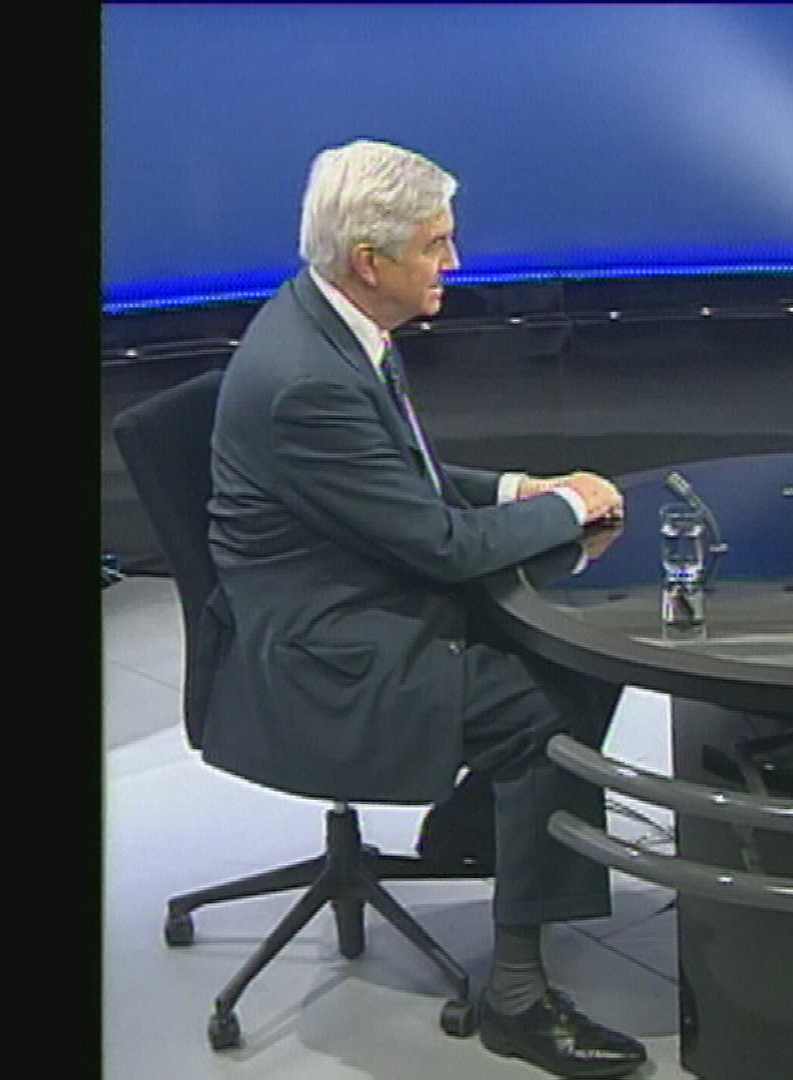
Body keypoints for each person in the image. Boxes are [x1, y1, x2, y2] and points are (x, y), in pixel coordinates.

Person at [200, 138, 646, 1078]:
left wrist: (525, 489)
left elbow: (406, 482)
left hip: (356, 585)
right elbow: (439, 545)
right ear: (371, 261)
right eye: (437, 245)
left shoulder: (328, 320)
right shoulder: (309, 380)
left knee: (582, 645)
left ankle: (480, 830)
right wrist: (570, 508)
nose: (454, 261)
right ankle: (518, 1001)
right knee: (542, 710)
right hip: (326, 652)